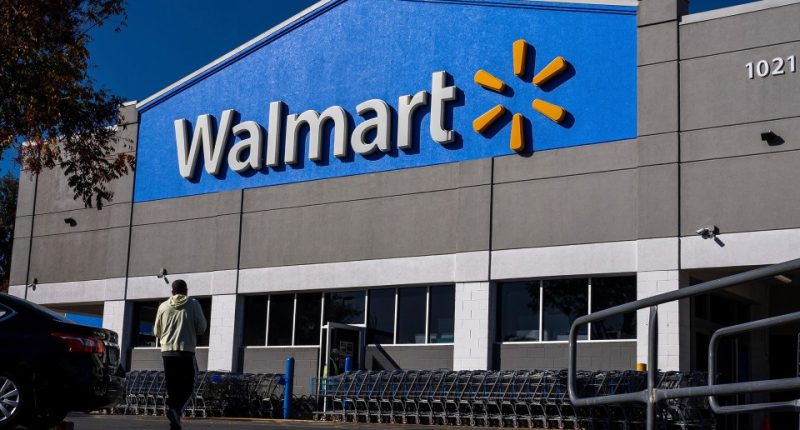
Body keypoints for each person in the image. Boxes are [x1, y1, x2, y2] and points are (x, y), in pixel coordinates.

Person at [153, 279, 207, 430]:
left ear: (172, 291)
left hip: (167, 352)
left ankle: (174, 417)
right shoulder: (193, 304)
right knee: (190, 384)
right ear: (186, 291)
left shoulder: (163, 306)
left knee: (172, 386)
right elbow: (202, 328)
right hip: (186, 351)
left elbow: (156, 331)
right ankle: (176, 410)